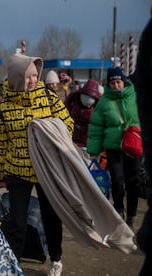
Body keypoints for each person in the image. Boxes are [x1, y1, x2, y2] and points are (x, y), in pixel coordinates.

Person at [0, 54, 74, 276]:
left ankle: (56, 259)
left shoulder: (49, 99)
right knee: (16, 222)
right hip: (16, 170)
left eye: (35, 76)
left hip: (46, 169)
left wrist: (48, 131)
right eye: (27, 76)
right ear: (16, 77)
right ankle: (12, 263)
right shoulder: (3, 108)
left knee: (51, 218)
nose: (32, 80)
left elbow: (68, 125)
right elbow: (1, 144)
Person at [87, 67, 142, 228]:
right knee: (117, 182)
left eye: (118, 82)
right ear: (108, 84)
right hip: (113, 148)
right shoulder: (104, 103)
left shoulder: (135, 97)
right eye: (113, 83)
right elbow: (96, 128)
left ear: (124, 82)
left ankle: (131, 215)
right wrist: (94, 152)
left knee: (134, 182)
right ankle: (119, 211)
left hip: (133, 147)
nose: (116, 86)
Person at [133, 15, 152, 276]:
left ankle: (127, 216)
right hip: (118, 148)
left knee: (127, 181)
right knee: (119, 181)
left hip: (133, 148)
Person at [65, 79, 102, 148]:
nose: (87, 105)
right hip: (70, 140)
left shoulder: (98, 108)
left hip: (87, 142)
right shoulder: (73, 99)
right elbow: (64, 112)